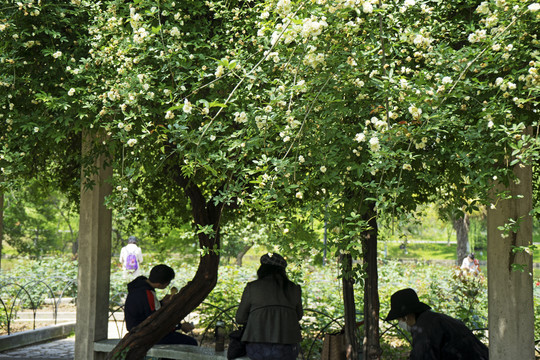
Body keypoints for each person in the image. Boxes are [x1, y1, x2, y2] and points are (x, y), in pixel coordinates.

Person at [385, 288, 489, 360]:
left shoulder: (424, 329)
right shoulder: (434, 319)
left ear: (406, 316)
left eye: (399, 319)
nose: (400, 322)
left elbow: (422, 356)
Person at [236, 253, 303, 360]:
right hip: (287, 347)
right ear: (282, 270)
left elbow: (240, 318)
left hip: (257, 345)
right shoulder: (294, 288)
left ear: (262, 269)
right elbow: (299, 316)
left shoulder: (252, 287)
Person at [124, 264, 197, 346]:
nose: (168, 285)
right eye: (168, 283)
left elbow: (147, 310)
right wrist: (180, 326)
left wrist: (162, 303)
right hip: (144, 334)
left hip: (138, 329)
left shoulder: (139, 287)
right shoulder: (147, 293)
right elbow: (156, 320)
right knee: (191, 343)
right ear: (159, 284)